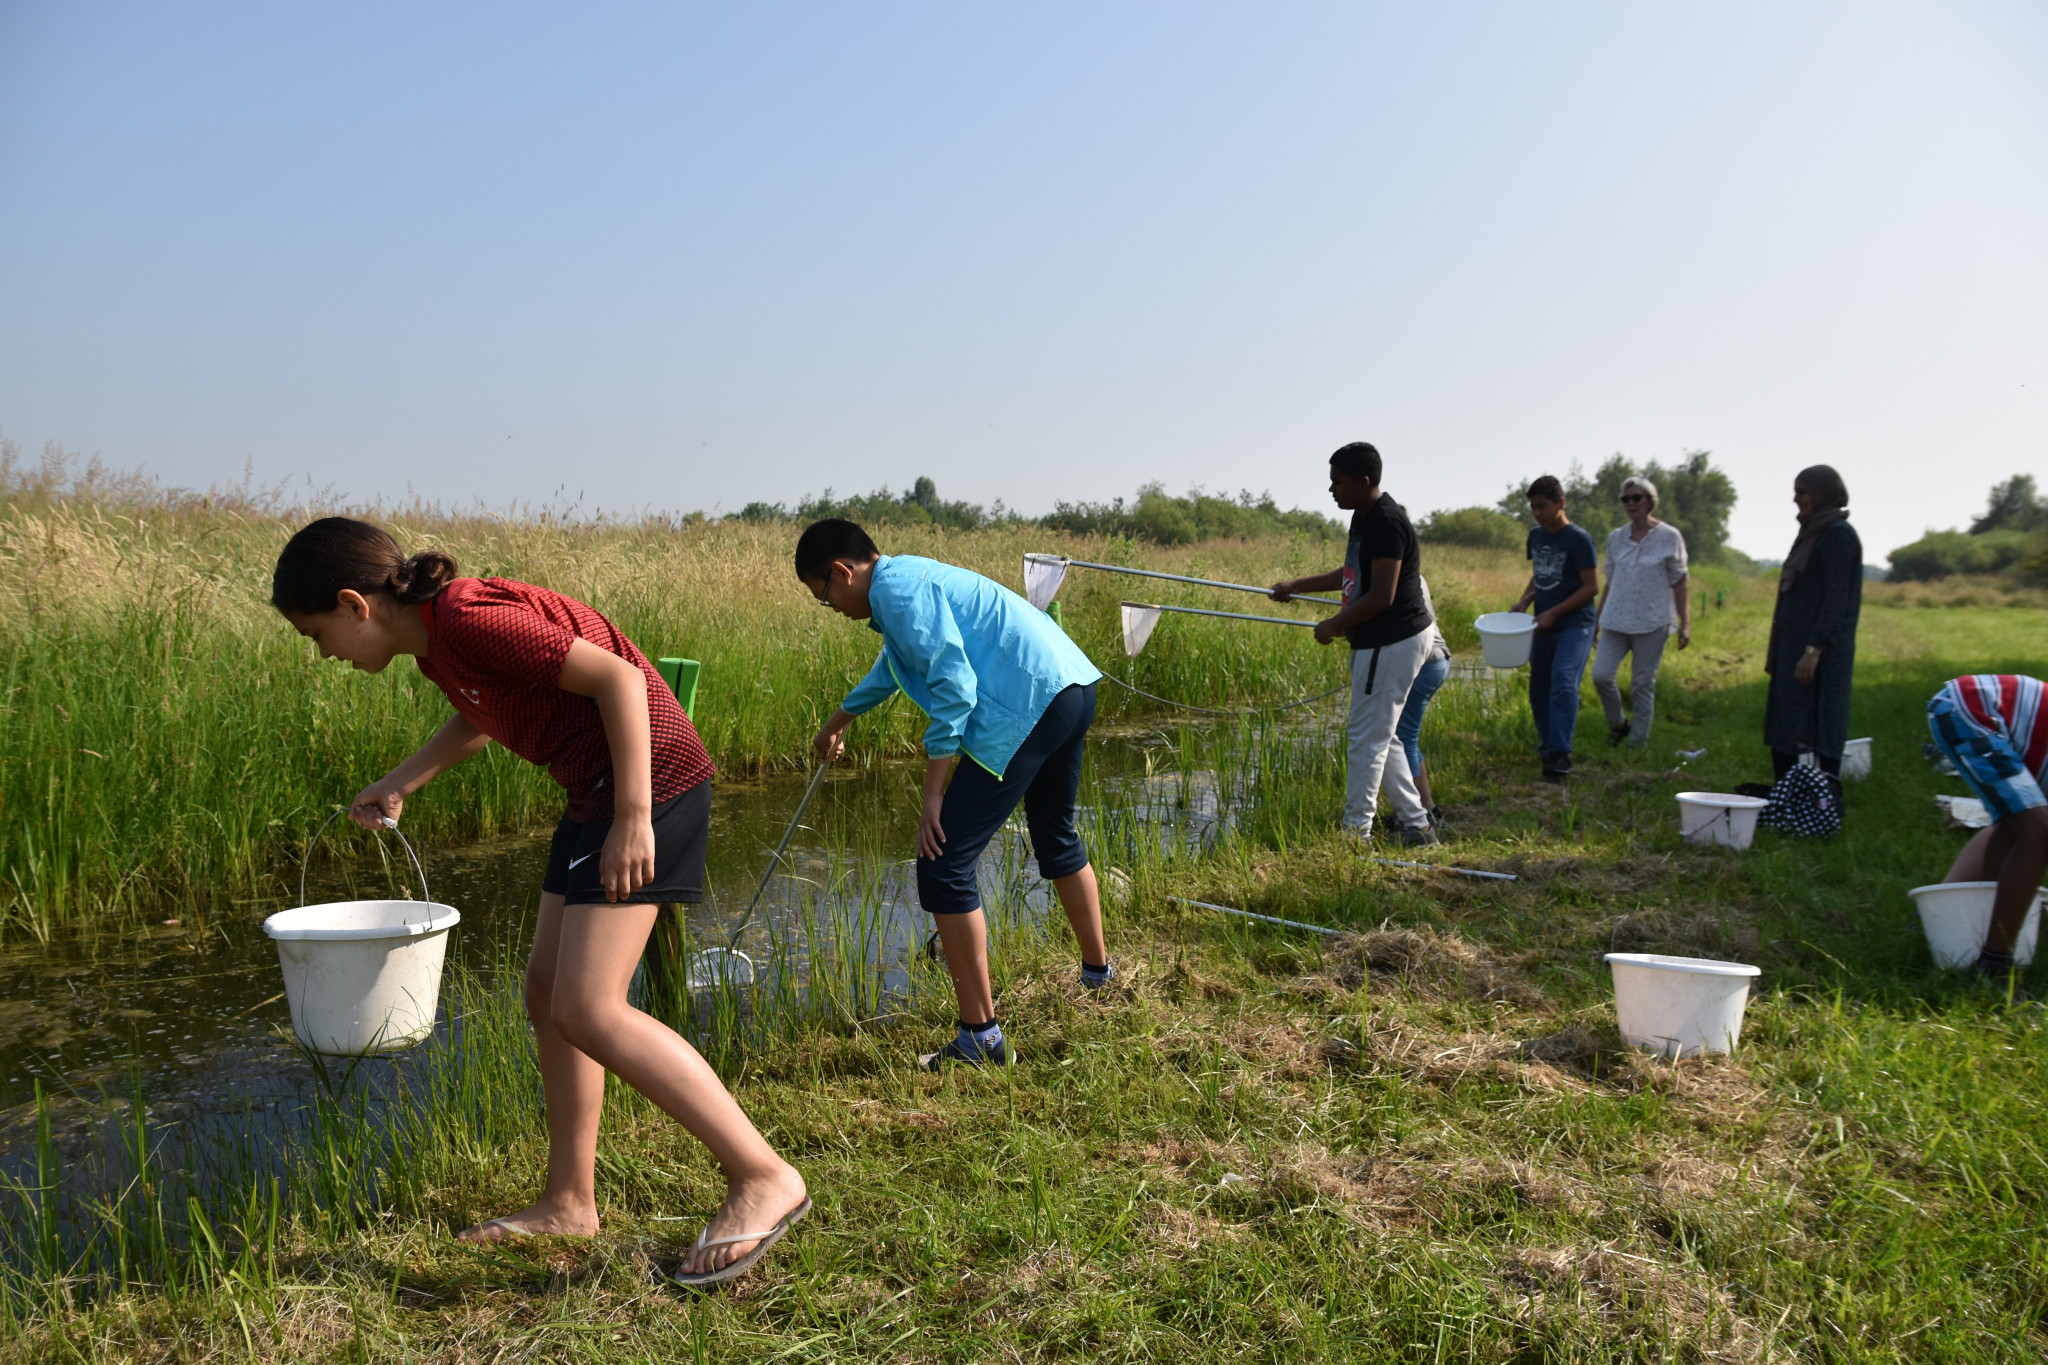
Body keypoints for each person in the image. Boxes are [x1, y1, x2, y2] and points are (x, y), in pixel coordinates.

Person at [270, 518, 807, 1288]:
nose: (322, 654)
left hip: (648, 785)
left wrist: (632, 817)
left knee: (589, 1006)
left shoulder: (464, 617)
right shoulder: (435, 644)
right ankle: (568, 1199)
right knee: (546, 991)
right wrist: (402, 780)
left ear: (355, 605)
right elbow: (484, 716)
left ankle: (761, 1173)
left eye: (317, 634)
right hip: (595, 792)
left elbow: (618, 679)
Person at [801, 519, 1109, 1070]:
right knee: (1056, 834)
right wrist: (838, 719)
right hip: (1070, 687)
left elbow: (954, 689)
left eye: (823, 596)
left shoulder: (895, 593)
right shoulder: (906, 579)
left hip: (1031, 704)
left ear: (842, 573)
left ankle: (981, 1040)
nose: (831, 609)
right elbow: (897, 665)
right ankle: (1100, 978)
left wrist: (933, 796)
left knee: (942, 863)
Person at [1269, 441, 1438, 845]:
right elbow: (1351, 572)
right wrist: (1297, 585)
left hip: (1392, 639)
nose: (1332, 490)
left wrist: (1334, 625)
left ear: (1364, 482)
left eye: (1338, 483)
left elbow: (1383, 596)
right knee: (1384, 735)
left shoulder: (1386, 521)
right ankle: (1416, 826)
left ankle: (1355, 833)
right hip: (1387, 639)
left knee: (1366, 738)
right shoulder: (1364, 516)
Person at [1927, 674, 2048, 985]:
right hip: (1977, 711)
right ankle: (1994, 966)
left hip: (1972, 708)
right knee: (2037, 835)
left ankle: (1963, 922)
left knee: (2018, 830)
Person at [1764, 466, 1861, 780]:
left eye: (1803, 491)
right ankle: (1787, 796)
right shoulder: (1811, 533)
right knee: (1787, 721)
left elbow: (1836, 600)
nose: (1796, 499)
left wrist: (1813, 649)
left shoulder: (1837, 535)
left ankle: (1823, 801)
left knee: (1821, 723)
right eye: (1795, 491)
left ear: (1823, 492)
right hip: (1795, 647)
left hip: (1820, 652)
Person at [1509, 476, 1599, 780]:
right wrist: (1524, 601)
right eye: (1533, 507)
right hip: (1541, 625)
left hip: (1574, 625)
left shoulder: (1579, 539)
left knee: (1562, 681)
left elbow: (1591, 587)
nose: (1537, 513)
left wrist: (1554, 613)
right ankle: (1547, 747)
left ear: (1561, 503)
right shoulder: (1536, 536)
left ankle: (1560, 755)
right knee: (1540, 688)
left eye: (1542, 506)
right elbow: (1542, 575)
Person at [1591, 476, 1691, 750]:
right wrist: (1597, 622)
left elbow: (1680, 583)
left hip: (1652, 620)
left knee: (1642, 684)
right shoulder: (1616, 538)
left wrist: (1685, 624)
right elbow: (1611, 580)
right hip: (1616, 618)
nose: (1631, 503)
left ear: (1650, 501)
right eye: (1626, 499)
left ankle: (1637, 746)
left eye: (1636, 498)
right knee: (1601, 675)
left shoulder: (1670, 537)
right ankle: (1619, 724)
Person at [1391, 577, 1452, 827]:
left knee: (1401, 737)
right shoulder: (1410, 570)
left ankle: (1416, 814)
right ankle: (1427, 807)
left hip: (1424, 664)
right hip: (1435, 661)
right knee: (1407, 735)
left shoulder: (1393, 571)